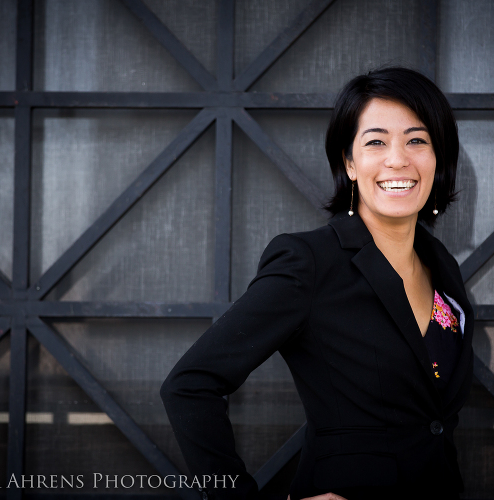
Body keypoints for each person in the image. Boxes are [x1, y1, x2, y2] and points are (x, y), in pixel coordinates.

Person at [160, 66, 473, 500]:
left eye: (417, 140)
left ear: (439, 156)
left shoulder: (443, 268)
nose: (398, 159)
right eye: (376, 141)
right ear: (349, 161)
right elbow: (189, 385)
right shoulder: (309, 262)